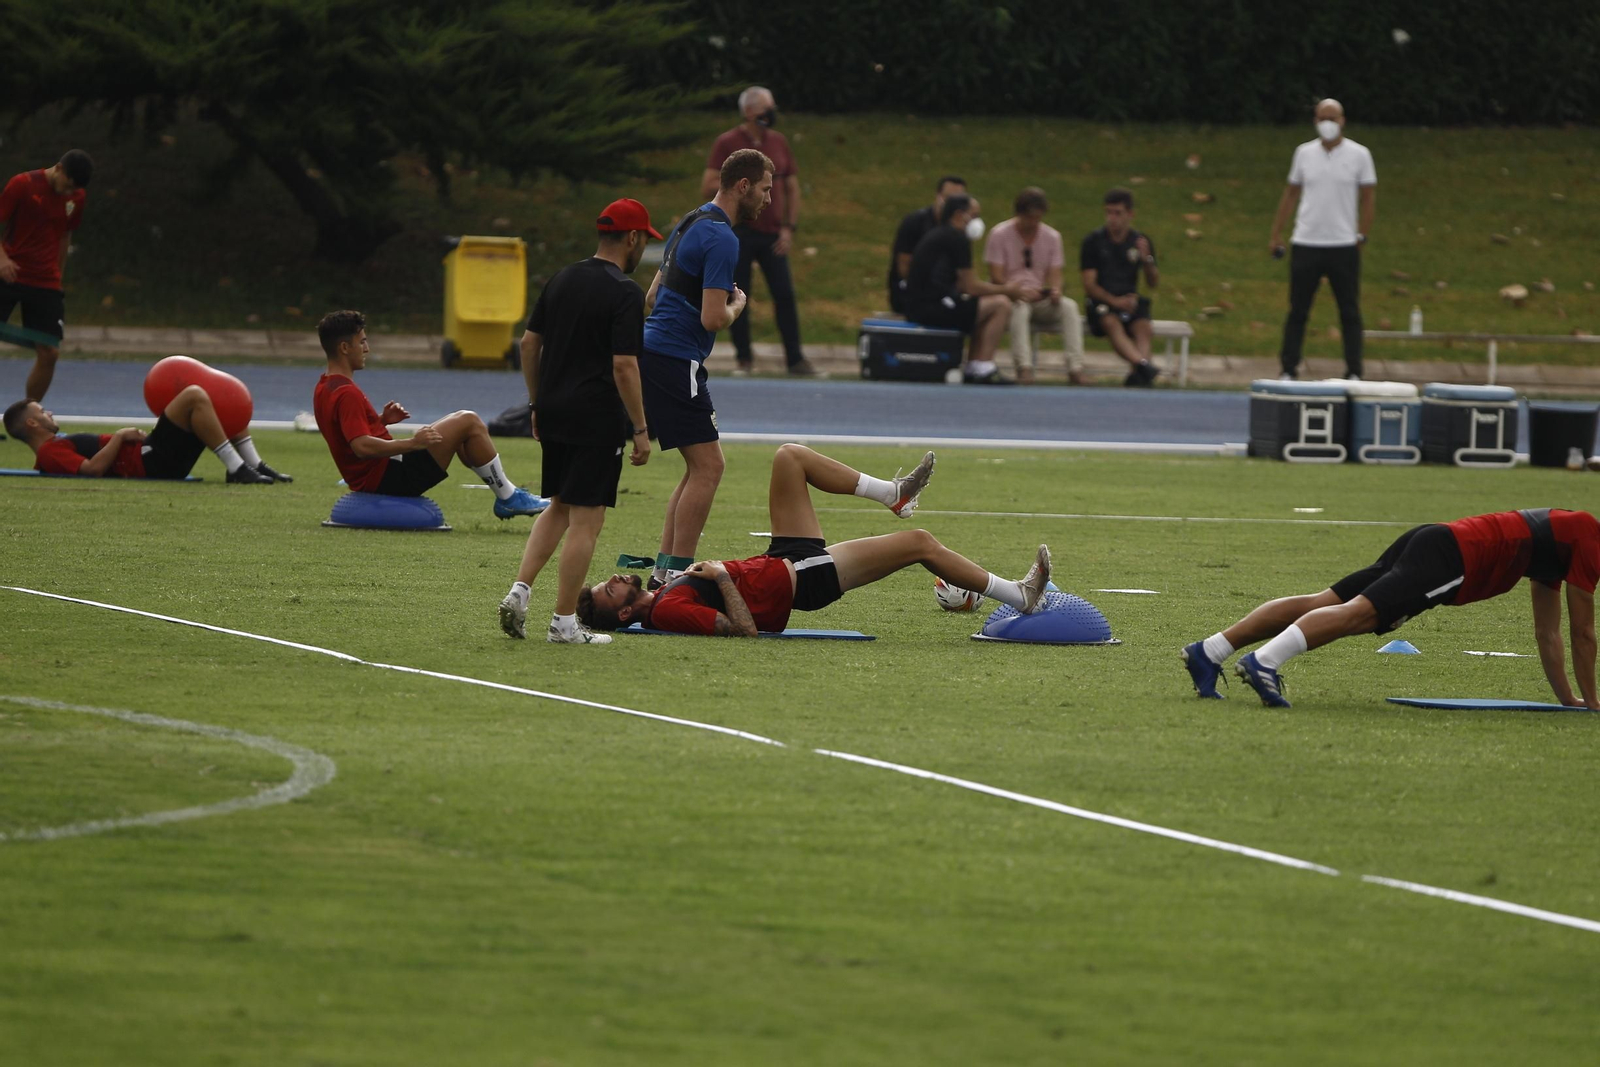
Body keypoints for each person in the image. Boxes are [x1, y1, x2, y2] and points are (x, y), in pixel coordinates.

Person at [577, 444, 1052, 636]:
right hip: (803, 581)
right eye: (610, 587)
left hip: (783, 558)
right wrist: (720, 575)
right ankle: (1019, 595)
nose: (616, 577)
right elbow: (742, 630)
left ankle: (895, 493)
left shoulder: (658, 598)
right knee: (919, 544)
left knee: (789, 458)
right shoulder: (664, 612)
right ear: (622, 612)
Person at [1181, 508, 1600, 709]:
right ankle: (1264, 661)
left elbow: (1549, 632)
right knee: (1363, 614)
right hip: (1453, 558)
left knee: (1327, 602)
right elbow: (1583, 633)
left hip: (1436, 538)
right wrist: (1595, 705)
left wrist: (1570, 700)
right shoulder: (1588, 541)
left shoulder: (1559, 547)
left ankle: (1210, 651)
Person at [497, 199, 658, 646]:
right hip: (596, 416)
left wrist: (535, 402)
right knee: (587, 521)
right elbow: (624, 365)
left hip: (552, 410)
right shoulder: (625, 291)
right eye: (643, 238)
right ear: (631, 238)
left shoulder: (562, 278)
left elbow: (529, 345)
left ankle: (520, 589)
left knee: (559, 506)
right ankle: (564, 622)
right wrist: (641, 429)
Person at [639, 148, 768, 589]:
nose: (769, 200)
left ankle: (664, 571)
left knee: (698, 467)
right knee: (710, 467)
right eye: (766, 189)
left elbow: (651, 297)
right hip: (676, 359)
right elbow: (712, 319)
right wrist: (737, 306)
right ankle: (676, 574)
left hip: (655, 352)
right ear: (743, 186)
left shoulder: (692, 219)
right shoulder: (723, 238)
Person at [312, 309, 546, 518]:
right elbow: (361, 447)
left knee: (463, 430)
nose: (367, 349)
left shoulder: (324, 387)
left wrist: (381, 421)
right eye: (362, 342)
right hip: (388, 477)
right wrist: (413, 443)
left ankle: (507, 494)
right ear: (344, 348)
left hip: (375, 475)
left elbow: (342, 434)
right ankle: (508, 497)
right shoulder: (347, 393)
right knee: (469, 420)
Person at [702, 87, 821, 379]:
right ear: (750, 112)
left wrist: (788, 227)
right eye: (767, 108)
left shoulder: (777, 142)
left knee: (784, 293)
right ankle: (744, 358)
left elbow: (791, 187)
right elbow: (708, 185)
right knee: (739, 293)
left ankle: (795, 358)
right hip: (741, 231)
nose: (772, 112)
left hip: (772, 233)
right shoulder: (727, 142)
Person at [1270, 98, 1377, 381]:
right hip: (1307, 241)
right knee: (1298, 310)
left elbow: (1368, 197)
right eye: (1322, 118)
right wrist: (1277, 233)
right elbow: (1291, 193)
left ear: (1342, 120)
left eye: (1332, 118)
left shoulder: (1359, 155)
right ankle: (1288, 368)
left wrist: (1362, 234)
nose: (1327, 123)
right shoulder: (1304, 154)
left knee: (1350, 311)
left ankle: (1354, 370)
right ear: (1315, 121)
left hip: (1343, 244)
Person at [4, 386, 279, 484]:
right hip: (149, 461)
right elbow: (90, 470)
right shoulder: (49, 452)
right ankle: (239, 467)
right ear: (31, 423)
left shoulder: (54, 446)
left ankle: (248, 465)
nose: (48, 413)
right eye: (42, 411)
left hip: (151, 456)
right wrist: (120, 436)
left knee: (219, 397)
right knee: (194, 394)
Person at [904, 194, 1036, 385]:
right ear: (960, 215)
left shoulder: (940, 234)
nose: (977, 221)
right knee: (1000, 304)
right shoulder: (957, 238)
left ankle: (975, 365)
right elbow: (970, 286)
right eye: (975, 215)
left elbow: (959, 284)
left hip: (922, 305)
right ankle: (982, 366)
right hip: (933, 309)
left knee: (980, 306)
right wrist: (1007, 290)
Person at [0, 150, 93, 402]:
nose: (67, 193)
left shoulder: (76, 197)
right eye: (66, 186)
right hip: (9, 272)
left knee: (49, 352)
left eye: (73, 190)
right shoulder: (23, 184)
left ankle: (29, 416)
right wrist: (2, 259)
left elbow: (65, 234)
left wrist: (57, 276)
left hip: (44, 281)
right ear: (59, 169)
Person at [985, 187, 1086, 385]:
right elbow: (996, 276)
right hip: (1010, 296)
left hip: (1039, 296)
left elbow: (1056, 274)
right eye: (1029, 218)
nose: (1033, 224)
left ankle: (1076, 367)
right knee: (1020, 310)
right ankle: (1024, 367)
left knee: (1069, 307)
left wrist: (1055, 290)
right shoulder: (999, 234)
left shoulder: (1052, 237)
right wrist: (1016, 291)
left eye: (1037, 219)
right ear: (1018, 214)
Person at [1080, 188, 1161, 387]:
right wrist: (1115, 301)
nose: (1112, 218)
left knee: (1143, 327)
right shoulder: (1093, 242)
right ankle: (1143, 365)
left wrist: (1147, 260)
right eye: (1108, 212)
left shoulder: (1140, 241)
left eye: (1118, 213)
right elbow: (1089, 284)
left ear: (1130, 214)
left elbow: (1153, 282)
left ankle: (1139, 374)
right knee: (1111, 322)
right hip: (1102, 302)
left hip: (1129, 300)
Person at [888, 175, 966, 314]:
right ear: (938, 196)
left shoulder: (960, 230)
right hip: (915, 296)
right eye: (948, 198)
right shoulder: (915, 222)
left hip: (944, 292)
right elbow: (903, 267)